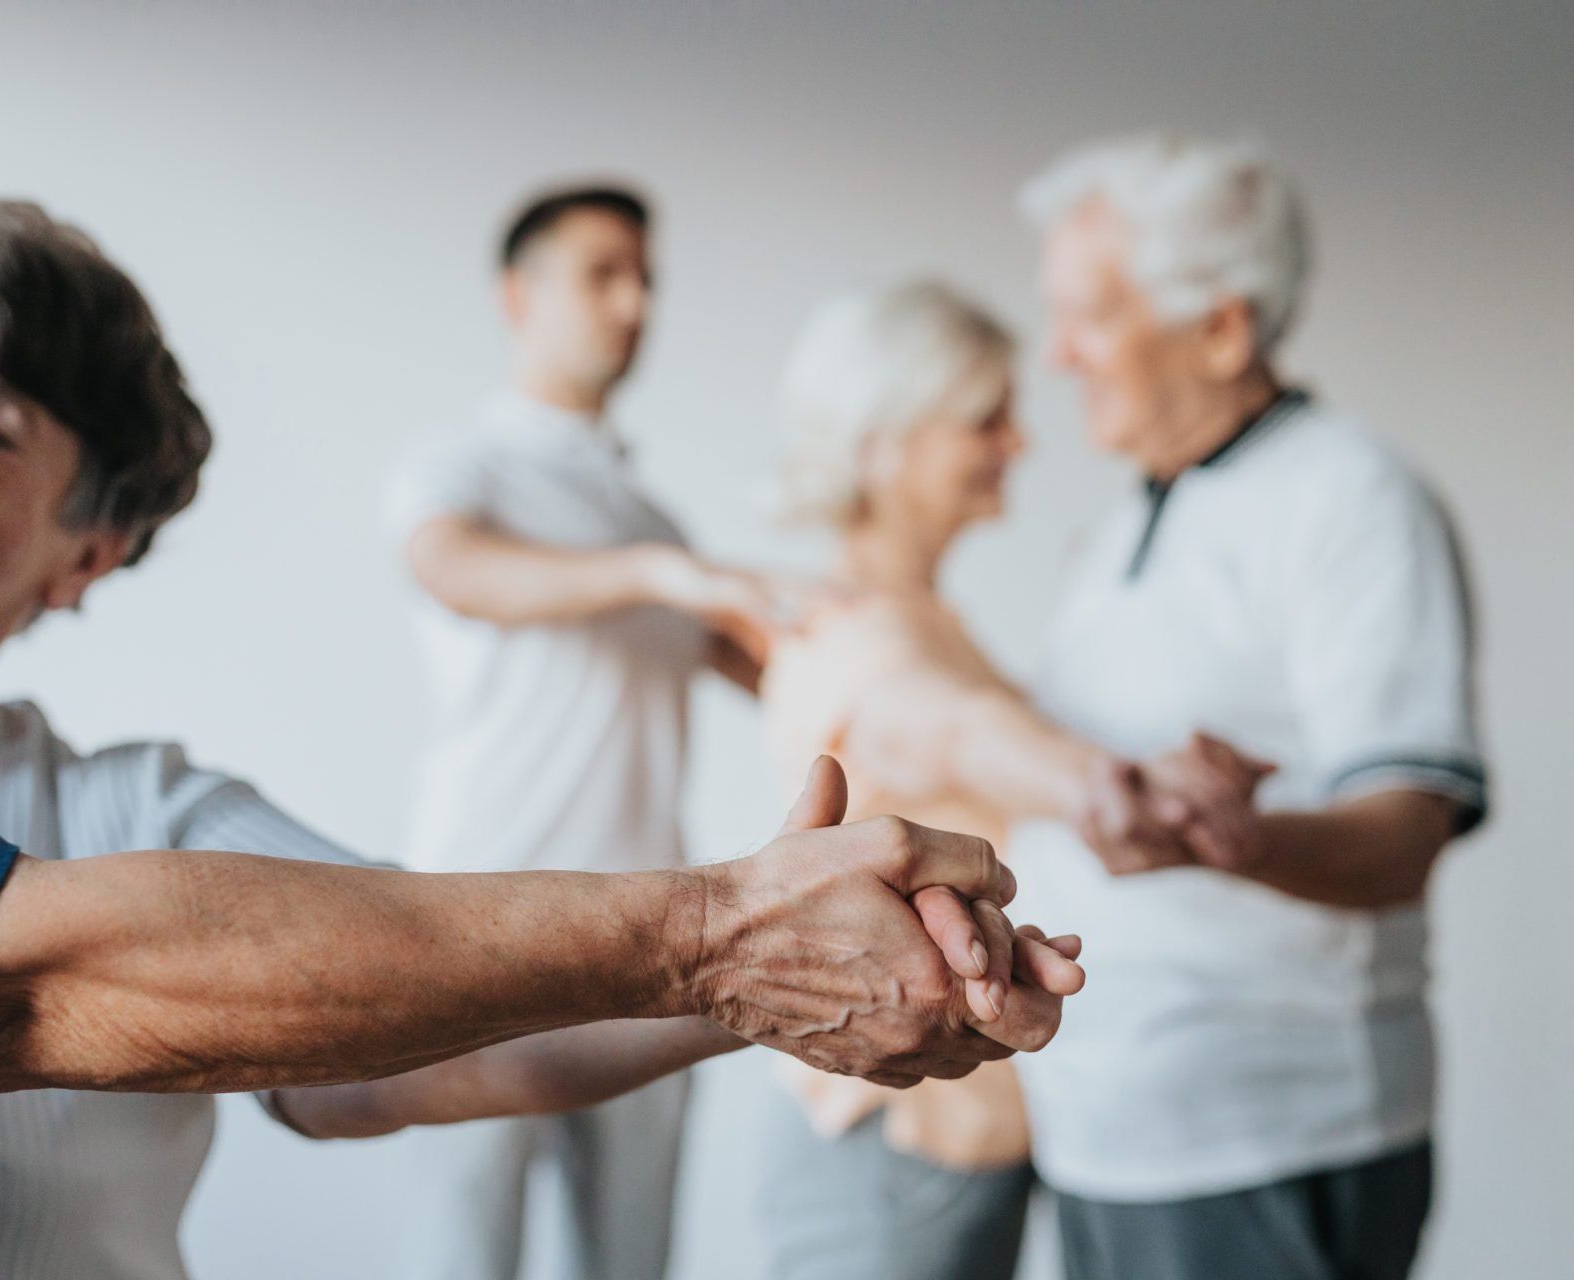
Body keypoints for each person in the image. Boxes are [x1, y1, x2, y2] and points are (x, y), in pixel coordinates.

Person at [0, 200, 1077, 1280]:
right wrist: (725, 934)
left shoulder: (136, 811)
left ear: (95, 547)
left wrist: (783, 955)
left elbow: (401, 1047)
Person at [1008, 133, 1489, 1279]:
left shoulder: (1352, 499)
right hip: (1107, 1132)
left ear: (1223, 328)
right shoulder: (1125, 520)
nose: (1059, 353)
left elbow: (1405, 830)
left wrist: (1235, 839)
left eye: (1092, 315)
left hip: (1263, 1140)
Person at [749, 280, 1260, 1280]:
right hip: (891, 1140)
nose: (1019, 442)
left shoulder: (923, 619)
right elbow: (955, 732)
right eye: (986, 418)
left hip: (961, 1129)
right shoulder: (856, 635)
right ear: (884, 441)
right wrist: (1106, 782)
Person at [382, 184, 775, 1280]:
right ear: (520, 295)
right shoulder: (460, 469)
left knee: (630, 1261)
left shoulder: (657, 522)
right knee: (460, 1253)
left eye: (645, 277)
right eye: (603, 273)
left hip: (653, 947)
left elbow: (778, 674)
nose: (634, 301)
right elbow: (452, 570)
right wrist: (654, 575)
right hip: (470, 934)